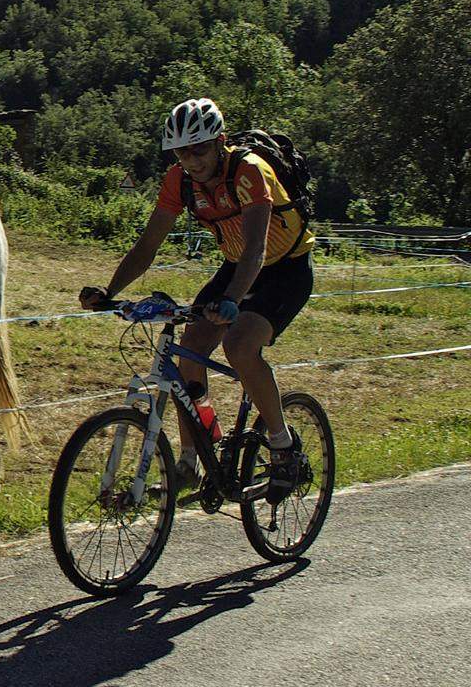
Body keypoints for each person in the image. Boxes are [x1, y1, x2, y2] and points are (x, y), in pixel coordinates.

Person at [79, 98, 315, 498]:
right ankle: (192, 460)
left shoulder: (249, 172)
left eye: (199, 148)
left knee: (239, 345)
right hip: (236, 265)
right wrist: (109, 292)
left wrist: (233, 301)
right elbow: (148, 244)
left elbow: (257, 247)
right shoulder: (180, 180)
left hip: (285, 268)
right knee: (188, 349)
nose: (191, 160)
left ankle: (282, 445)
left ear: (220, 141)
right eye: (181, 151)